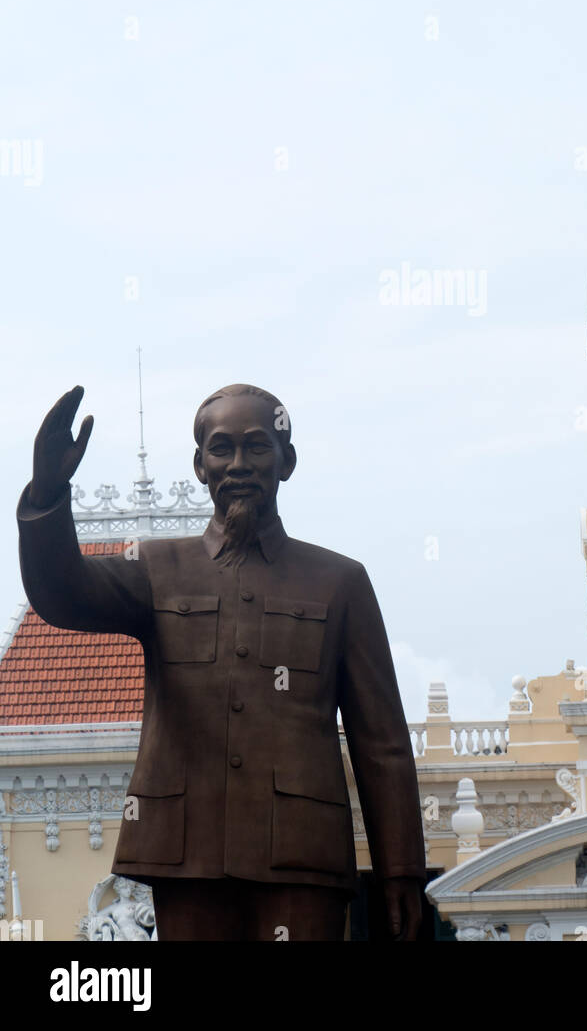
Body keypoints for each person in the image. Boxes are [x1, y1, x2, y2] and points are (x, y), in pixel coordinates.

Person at [18, 384, 426, 940]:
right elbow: (63, 595)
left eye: (257, 447)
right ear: (199, 464)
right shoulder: (156, 568)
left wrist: (399, 868)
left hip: (301, 856)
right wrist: (47, 491)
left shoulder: (339, 582)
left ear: (287, 462)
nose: (238, 464)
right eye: (221, 448)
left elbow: (381, 741)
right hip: (187, 854)